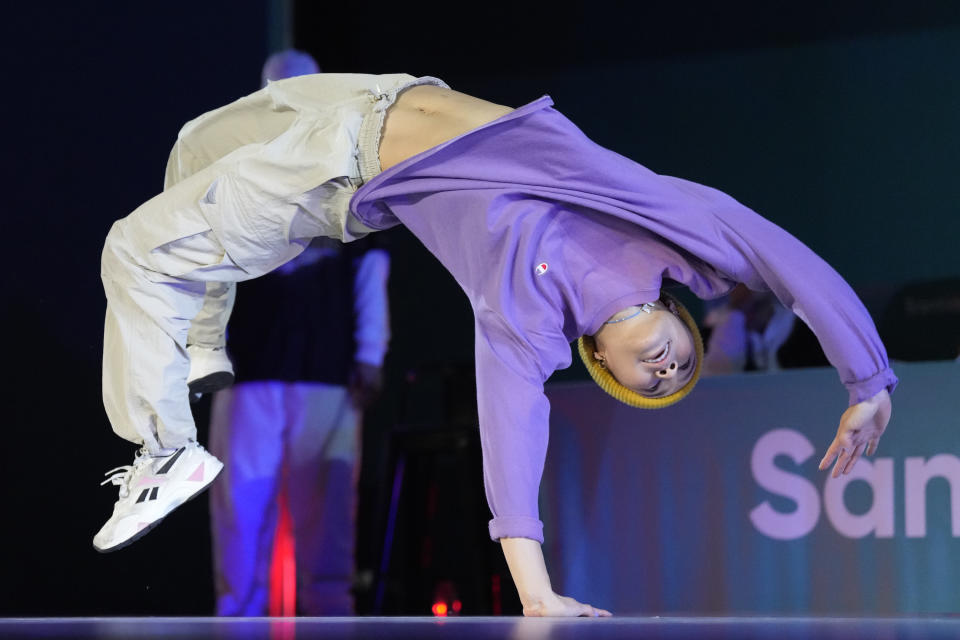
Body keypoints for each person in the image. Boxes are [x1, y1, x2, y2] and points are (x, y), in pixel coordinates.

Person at [97, 73, 897, 617]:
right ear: (681, 314)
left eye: (654, 384)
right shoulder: (663, 223)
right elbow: (785, 258)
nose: (667, 369)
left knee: (133, 248)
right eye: (680, 362)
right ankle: (202, 357)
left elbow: (513, 459)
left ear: (600, 362)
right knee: (193, 145)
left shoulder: (525, 321)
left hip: (336, 168)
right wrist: (866, 382)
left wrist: (538, 595)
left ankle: (167, 445)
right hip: (384, 93)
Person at [202, 51, 389, 617]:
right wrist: (205, 348)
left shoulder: (348, 164)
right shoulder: (233, 165)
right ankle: (236, 621)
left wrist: (370, 351)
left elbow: (371, 265)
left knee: (327, 513)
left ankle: (331, 620)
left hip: (325, 370)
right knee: (240, 508)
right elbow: (211, 267)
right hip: (249, 368)